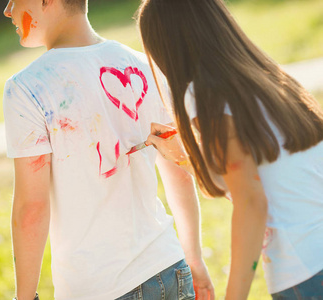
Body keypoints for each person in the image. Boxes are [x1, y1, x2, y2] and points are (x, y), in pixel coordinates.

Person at [1, 0, 215, 299]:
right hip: (169, 268)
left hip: (98, 287)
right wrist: (194, 259)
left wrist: (24, 297)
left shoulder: (26, 88)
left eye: (14, 0)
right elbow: (179, 171)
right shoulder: (143, 65)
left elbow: (31, 208)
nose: (8, 10)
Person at [137, 0, 323, 299]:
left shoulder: (202, 93)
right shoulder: (269, 77)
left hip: (305, 270)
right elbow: (256, 172)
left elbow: (251, 200)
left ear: (167, 47)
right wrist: (186, 157)